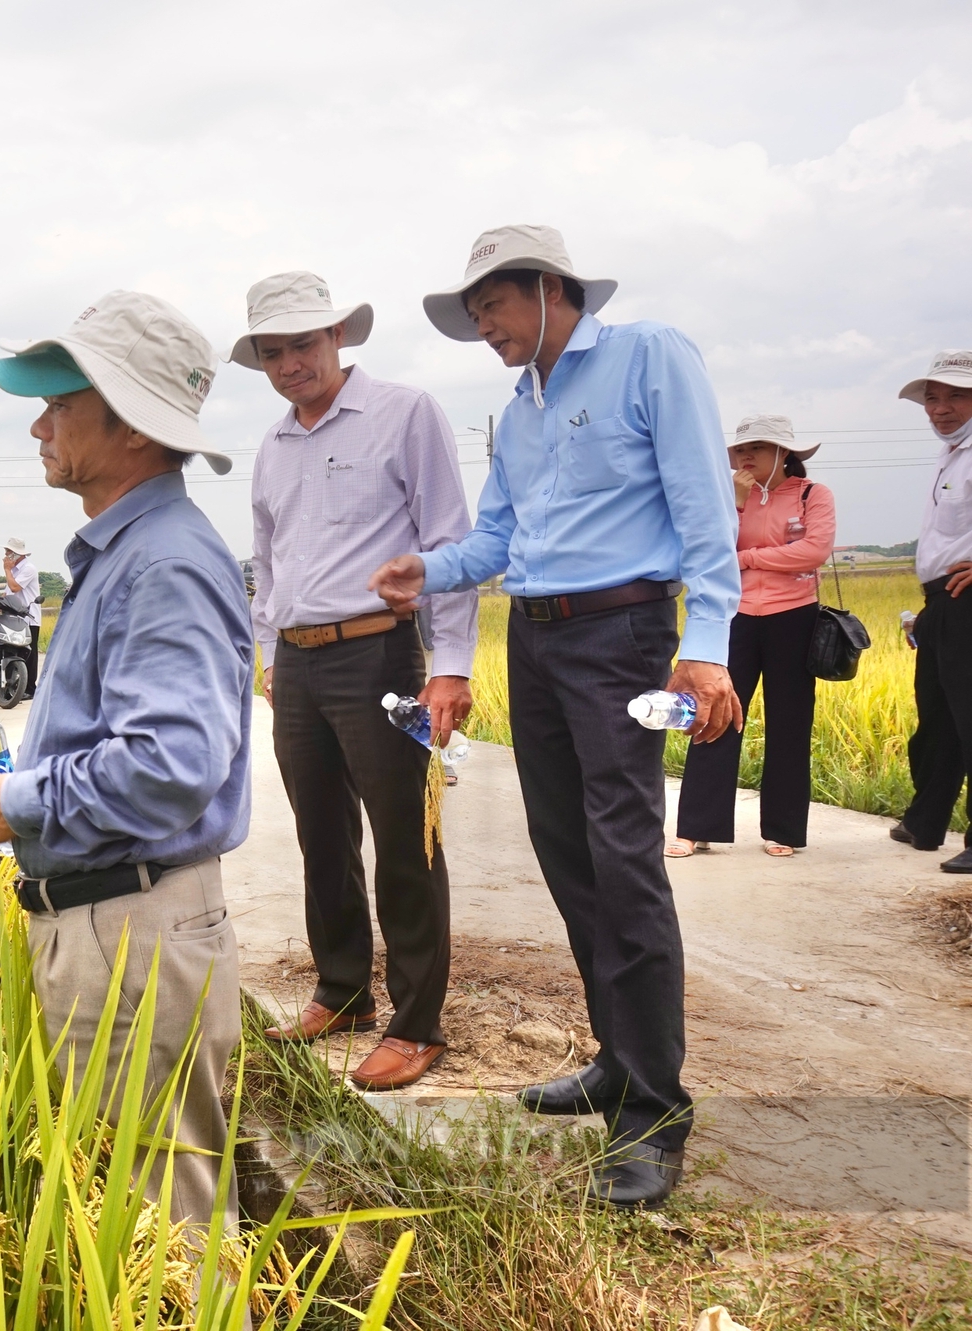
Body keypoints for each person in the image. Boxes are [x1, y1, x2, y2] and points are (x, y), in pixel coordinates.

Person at [368, 225, 742, 1209]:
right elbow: (496, 530)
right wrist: (429, 568)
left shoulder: (647, 357)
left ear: (543, 287)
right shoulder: (520, 406)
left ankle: (654, 1107)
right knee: (566, 851)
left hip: (619, 632)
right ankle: (616, 1058)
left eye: (488, 305)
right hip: (533, 640)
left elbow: (703, 504)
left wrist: (703, 641)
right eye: (472, 312)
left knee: (622, 858)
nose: (480, 325)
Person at [0, 289, 253, 1237]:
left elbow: (172, 764)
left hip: (133, 932)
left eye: (60, 405)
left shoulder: (163, 562)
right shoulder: (122, 555)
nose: (39, 426)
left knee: (166, 1229)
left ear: (127, 423)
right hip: (112, 924)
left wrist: (19, 800)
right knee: (125, 1218)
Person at [236, 269, 475, 1091]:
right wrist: (270, 652)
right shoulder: (272, 445)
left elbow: (450, 543)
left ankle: (417, 1023)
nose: (289, 363)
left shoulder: (404, 414)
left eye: (303, 343)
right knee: (321, 834)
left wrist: (451, 665)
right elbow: (267, 562)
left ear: (339, 336)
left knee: (405, 835)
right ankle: (342, 991)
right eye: (272, 351)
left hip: (379, 654)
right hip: (298, 662)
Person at [671, 416, 833, 859]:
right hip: (733, 617)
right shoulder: (725, 497)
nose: (746, 456)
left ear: (785, 453)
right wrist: (736, 505)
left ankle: (783, 830)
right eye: (741, 449)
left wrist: (748, 558)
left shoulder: (812, 495)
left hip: (794, 617)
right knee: (713, 714)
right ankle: (696, 828)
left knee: (790, 722)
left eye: (758, 447)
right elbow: (708, 549)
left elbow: (814, 550)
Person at [890, 350, 972, 870]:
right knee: (939, 715)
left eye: (955, 397)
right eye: (932, 398)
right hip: (943, 600)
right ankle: (926, 821)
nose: (940, 408)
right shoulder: (953, 454)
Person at [2, 536, 42, 699]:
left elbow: (15, 587)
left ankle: (30, 689)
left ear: (16, 554)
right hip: (13, 618)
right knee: (12, 652)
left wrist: (7, 570)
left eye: (8, 552)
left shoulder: (28, 569)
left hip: (29, 618)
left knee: (29, 654)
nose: (5, 556)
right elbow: (6, 594)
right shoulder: (14, 572)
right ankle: (12, 688)